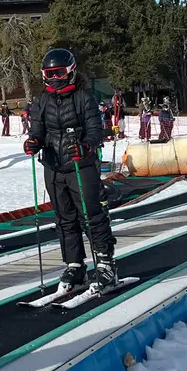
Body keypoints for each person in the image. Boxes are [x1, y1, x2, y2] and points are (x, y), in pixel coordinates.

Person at [24, 48, 117, 294]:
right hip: (54, 167)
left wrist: (85, 146)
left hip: (81, 165)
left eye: (59, 73)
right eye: (49, 74)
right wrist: (33, 142)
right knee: (64, 218)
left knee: (91, 214)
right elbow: (37, 130)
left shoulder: (83, 98)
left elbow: (96, 130)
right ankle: (75, 264)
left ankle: (106, 263)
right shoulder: (42, 100)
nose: (54, 78)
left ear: (71, 72)